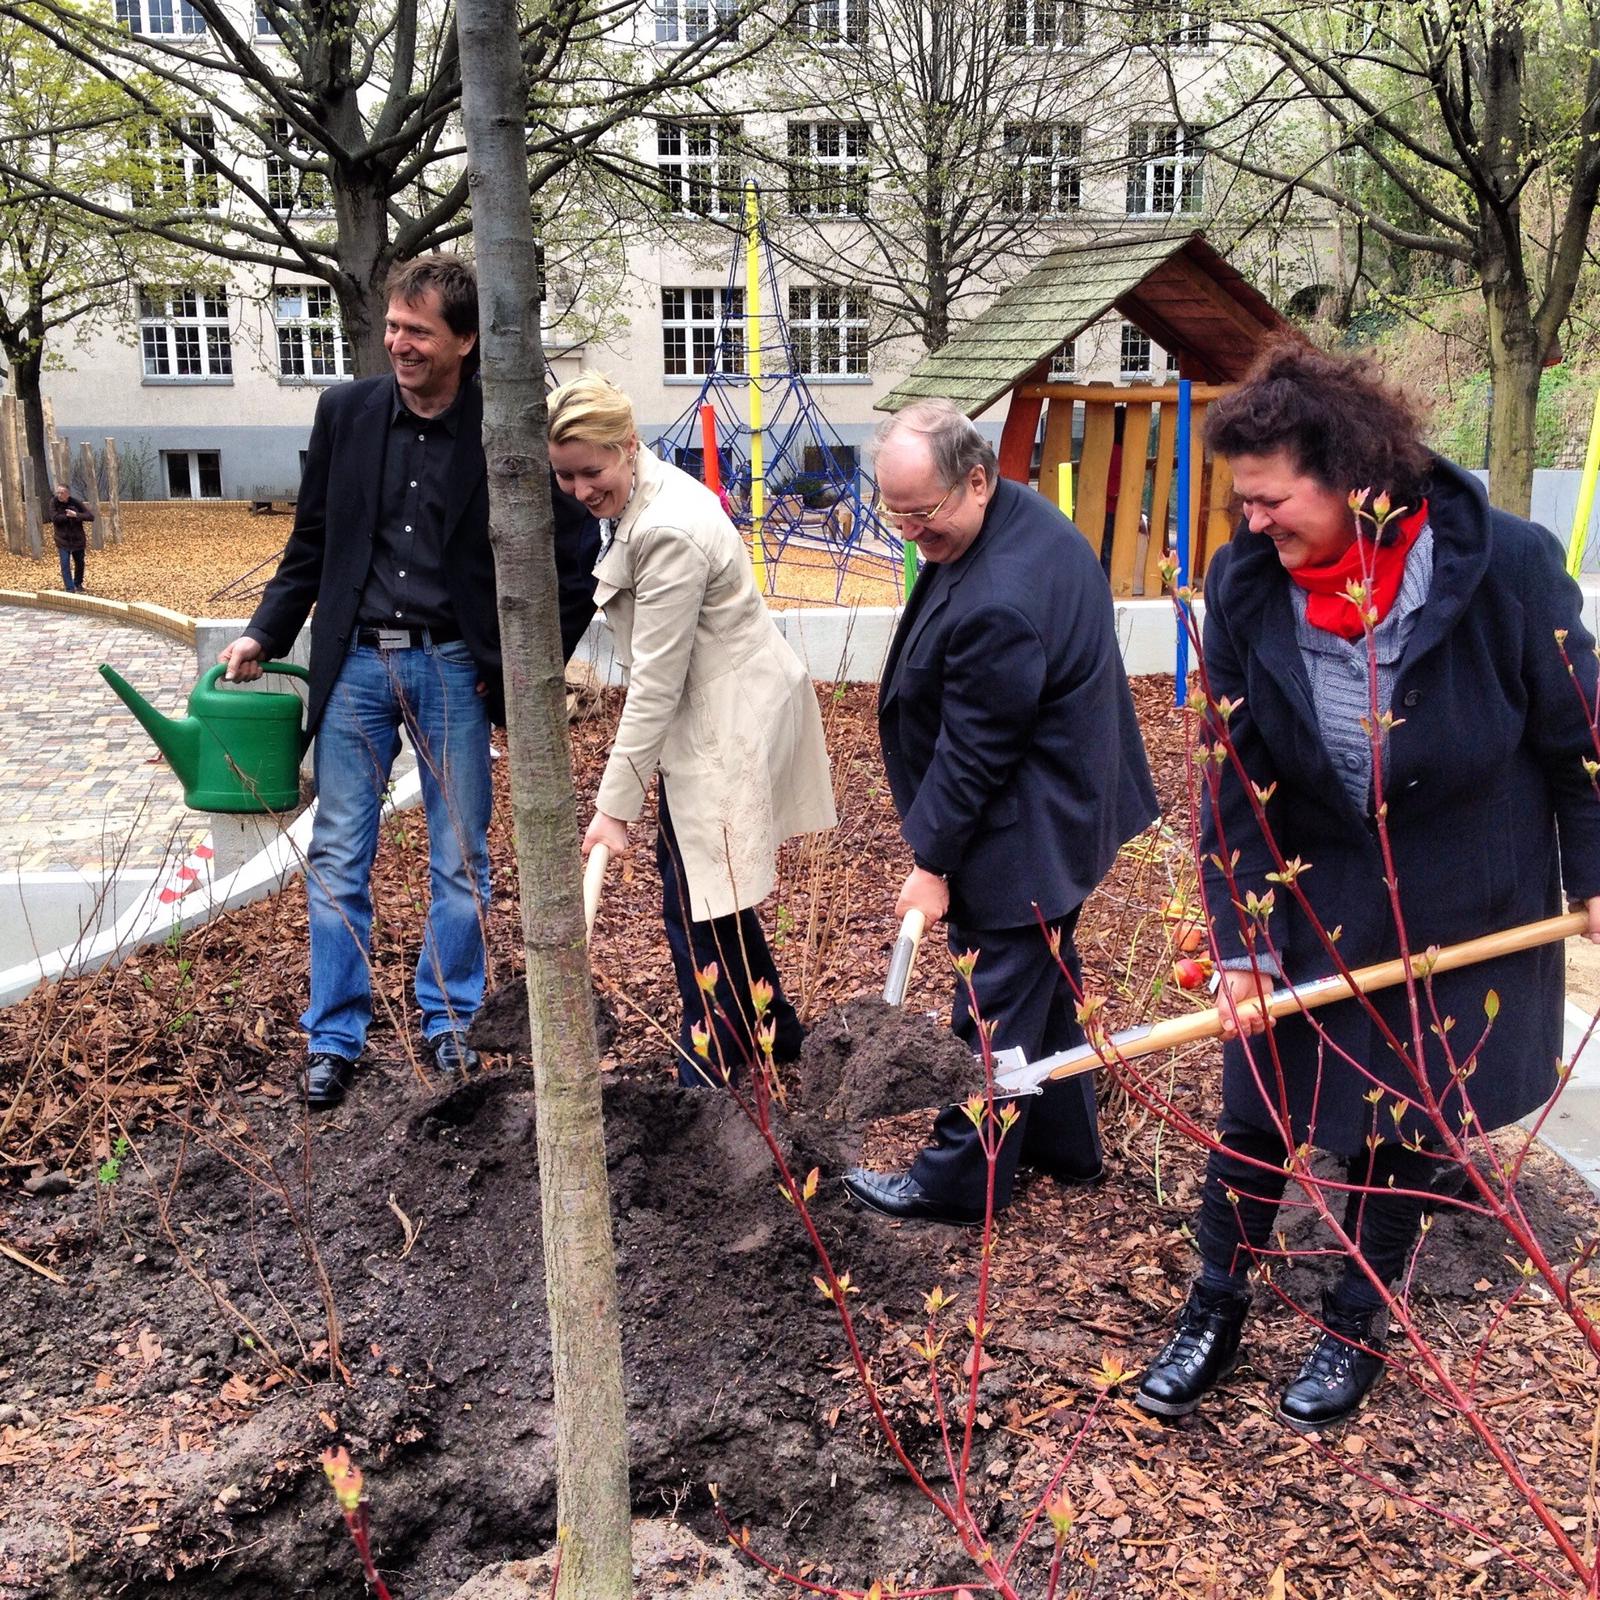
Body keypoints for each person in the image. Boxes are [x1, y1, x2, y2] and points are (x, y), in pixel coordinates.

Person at [1134, 340, 1600, 1432]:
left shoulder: (1507, 569)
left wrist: (1596, 875)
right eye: (1240, 500)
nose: (1251, 521)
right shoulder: (1245, 585)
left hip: (1459, 897)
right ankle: (1215, 1306)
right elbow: (1234, 777)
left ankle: (1354, 1322)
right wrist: (1244, 941)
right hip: (1310, 885)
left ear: (1355, 482)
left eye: (1270, 499)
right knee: (1257, 1115)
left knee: (1405, 1124)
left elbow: (1583, 743)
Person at [217, 254, 600, 1110]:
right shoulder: (346, 412)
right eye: (393, 326)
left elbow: (574, 551)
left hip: (453, 668)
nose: (398, 342)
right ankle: (334, 1037)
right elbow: (311, 541)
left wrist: (534, 660)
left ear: (464, 341)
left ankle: (451, 1020)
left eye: (418, 331)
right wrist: (263, 631)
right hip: (354, 661)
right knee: (338, 853)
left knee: (459, 857)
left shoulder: (505, 428)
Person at [842, 399, 1158, 1225]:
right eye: (895, 511)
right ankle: (1066, 1143)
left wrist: (931, 865)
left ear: (975, 480)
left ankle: (959, 1182)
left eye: (924, 512)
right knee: (1046, 987)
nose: (910, 531)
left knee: (990, 1010)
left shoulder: (1003, 601)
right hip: (1061, 808)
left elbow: (977, 751)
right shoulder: (1014, 520)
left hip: (1023, 830)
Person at [547, 372, 836, 1083]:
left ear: (628, 445)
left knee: (696, 898)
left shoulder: (668, 530)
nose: (581, 490)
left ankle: (711, 1060)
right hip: (718, 704)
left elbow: (656, 681)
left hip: (726, 717)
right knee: (708, 882)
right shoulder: (644, 494)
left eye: (592, 471)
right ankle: (776, 1028)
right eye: (565, 476)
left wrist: (615, 806)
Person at [46, 482, 94, 592]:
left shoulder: (75, 503)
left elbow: (90, 517)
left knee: (80, 563)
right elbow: (55, 518)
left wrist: (76, 515)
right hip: (62, 540)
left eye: (62, 493)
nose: (59, 495)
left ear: (67, 494)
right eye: (57, 492)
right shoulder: (54, 502)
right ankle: (70, 587)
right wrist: (68, 516)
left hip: (78, 540)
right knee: (65, 563)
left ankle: (78, 583)